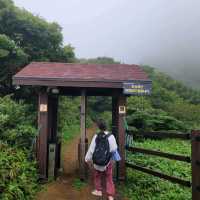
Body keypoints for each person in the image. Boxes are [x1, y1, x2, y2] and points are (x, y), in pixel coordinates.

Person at [85, 119, 120, 200]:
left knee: (97, 176)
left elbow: (91, 149)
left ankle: (98, 190)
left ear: (99, 127)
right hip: (107, 161)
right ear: (106, 127)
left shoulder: (96, 136)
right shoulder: (111, 136)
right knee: (109, 177)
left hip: (97, 161)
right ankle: (110, 195)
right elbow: (114, 149)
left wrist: (87, 159)